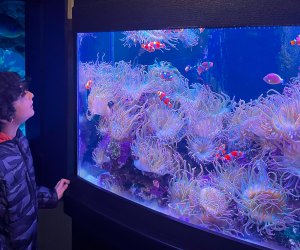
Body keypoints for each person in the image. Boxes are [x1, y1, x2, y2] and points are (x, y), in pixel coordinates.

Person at [0, 72, 70, 249]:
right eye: (22, 94)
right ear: (4, 112)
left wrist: (51, 196)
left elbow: (22, 194)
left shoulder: (19, 140)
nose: (31, 95)